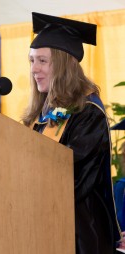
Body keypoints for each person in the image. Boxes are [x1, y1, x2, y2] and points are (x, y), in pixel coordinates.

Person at [22, 12, 122, 254]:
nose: (34, 69)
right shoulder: (41, 115)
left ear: (64, 63)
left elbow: (69, 177)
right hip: (45, 229)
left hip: (80, 236)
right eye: (32, 60)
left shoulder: (88, 114)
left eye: (42, 61)